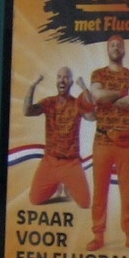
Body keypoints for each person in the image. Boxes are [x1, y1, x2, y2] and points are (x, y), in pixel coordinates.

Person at [83, 36, 129, 252]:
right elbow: (97, 95)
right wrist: (120, 94)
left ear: (124, 50)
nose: (116, 48)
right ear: (108, 49)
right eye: (112, 45)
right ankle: (98, 235)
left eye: (119, 46)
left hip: (126, 142)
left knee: (128, 193)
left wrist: (107, 98)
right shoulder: (98, 74)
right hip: (103, 140)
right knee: (100, 191)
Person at [22, 68, 91, 209]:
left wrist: (84, 89)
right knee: (35, 199)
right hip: (50, 161)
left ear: (71, 82)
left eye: (66, 77)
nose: (62, 80)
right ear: (56, 81)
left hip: (71, 162)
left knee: (85, 203)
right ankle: (56, 184)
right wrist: (32, 86)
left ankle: (67, 184)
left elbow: (92, 117)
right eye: (59, 77)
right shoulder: (49, 102)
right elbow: (27, 111)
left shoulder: (77, 103)